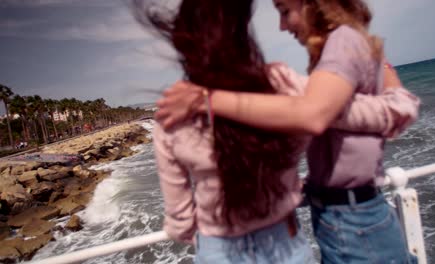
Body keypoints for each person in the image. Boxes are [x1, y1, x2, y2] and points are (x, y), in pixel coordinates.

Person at [154, 0, 420, 263]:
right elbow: (363, 112)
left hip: (218, 251)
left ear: (183, 43)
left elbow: (180, 220)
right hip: (284, 244)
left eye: (283, 11)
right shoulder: (279, 83)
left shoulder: (171, 111)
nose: (281, 26)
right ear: (243, 33)